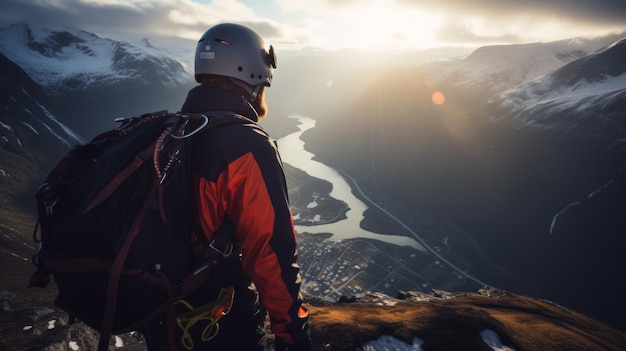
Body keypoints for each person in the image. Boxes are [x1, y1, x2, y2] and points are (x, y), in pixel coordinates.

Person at [140, 23, 312, 351]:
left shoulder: (171, 131)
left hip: (160, 315)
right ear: (253, 78)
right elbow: (271, 254)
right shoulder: (248, 146)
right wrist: (294, 337)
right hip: (220, 319)